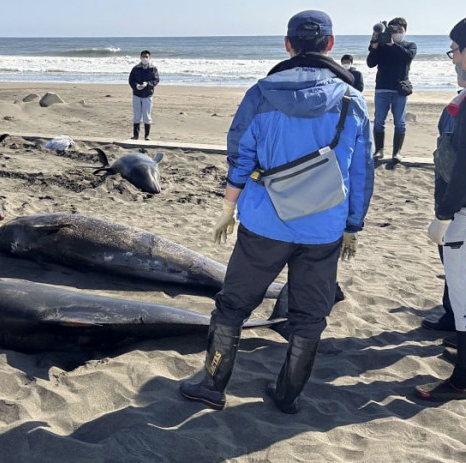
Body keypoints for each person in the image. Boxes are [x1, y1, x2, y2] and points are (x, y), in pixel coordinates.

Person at [179, 10, 374, 413]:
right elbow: (361, 169)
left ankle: (212, 385)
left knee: (233, 305)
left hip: (265, 221)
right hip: (324, 226)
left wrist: (228, 207)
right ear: (331, 45)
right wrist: (352, 224)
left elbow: (239, 155)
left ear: (287, 44)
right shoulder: (353, 100)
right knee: (309, 317)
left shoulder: (261, 93)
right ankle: (287, 396)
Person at [415, 18, 466, 401]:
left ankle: (461, 379)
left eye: (455, 50)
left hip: (461, 214)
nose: (453, 59)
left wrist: (445, 214)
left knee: (464, 300)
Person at [366, 17, 417, 163]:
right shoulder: (382, 46)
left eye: (400, 31)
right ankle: (379, 150)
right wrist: (375, 46)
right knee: (378, 121)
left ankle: (396, 152)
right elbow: (370, 63)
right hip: (382, 88)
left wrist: (392, 44)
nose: (396, 33)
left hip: (399, 90)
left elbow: (406, 57)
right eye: (394, 30)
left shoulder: (410, 45)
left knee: (400, 122)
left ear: (405, 31)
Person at [128, 50, 159, 141]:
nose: (144, 58)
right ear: (140, 57)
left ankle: (147, 136)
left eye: (146, 57)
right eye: (143, 57)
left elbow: (156, 80)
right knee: (137, 115)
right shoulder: (135, 68)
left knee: (147, 115)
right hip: (137, 95)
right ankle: (135, 135)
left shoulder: (153, 68)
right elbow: (131, 80)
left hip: (148, 95)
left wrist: (147, 84)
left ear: (149, 58)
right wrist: (136, 86)